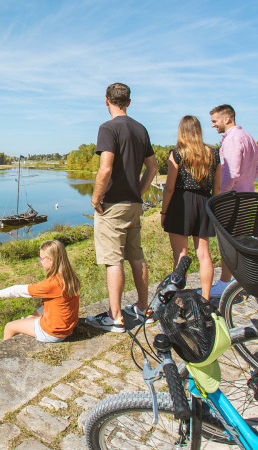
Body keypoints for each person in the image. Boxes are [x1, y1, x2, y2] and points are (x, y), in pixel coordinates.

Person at [87, 82, 158, 332]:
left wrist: (96, 199)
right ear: (128, 102)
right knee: (136, 255)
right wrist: (139, 192)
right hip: (133, 204)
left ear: (107, 100)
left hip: (113, 205)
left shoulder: (108, 128)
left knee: (113, 260)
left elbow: (105, 168)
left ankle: (115, 317)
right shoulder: (140, 129)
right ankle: (143, 308)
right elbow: (153, 166)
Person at [161, 116, 221, 300]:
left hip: (182, 203)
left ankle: (177, 298)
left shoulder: (178, 153)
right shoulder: (213, 153)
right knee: (204, 254)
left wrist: (164, 211)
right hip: (205, 202)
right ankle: (206, 297)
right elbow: (217, 188)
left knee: (180, 255)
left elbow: (169, 187)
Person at [0, 240, 80, 342]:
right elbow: (53, 306)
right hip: (66, 329)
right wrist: (31, 316)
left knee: (9, 327)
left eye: (41, 258)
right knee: (28, 319)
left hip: (52, 333)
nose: (40, 261)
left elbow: (18, 290)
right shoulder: (70, 278)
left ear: (50, 259)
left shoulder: (52, 284)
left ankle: (3, 355)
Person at [208, 103, 258, 297]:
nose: (213, 125)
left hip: (233, 198)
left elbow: (231, 172)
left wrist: (220, 196)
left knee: (227, 243)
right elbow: (254, 171)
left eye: (215, 121)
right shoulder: (249, 138)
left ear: (226, 119)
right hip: (248, 195)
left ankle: (225, 283)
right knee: (241, 240)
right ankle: (242, 280)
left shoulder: (231, 139)